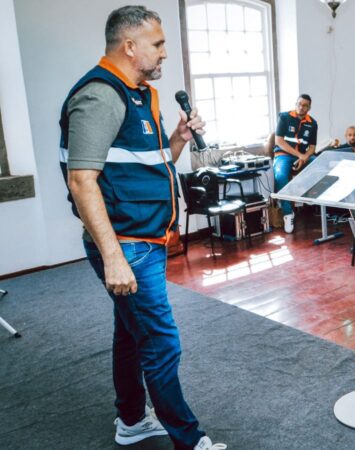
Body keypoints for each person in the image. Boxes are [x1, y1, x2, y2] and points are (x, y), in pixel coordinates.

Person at [61, 6, 224, 450]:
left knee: (131, 335)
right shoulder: (100, 96)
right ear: (129, 46)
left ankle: (131, 420)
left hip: (147, 238)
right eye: (158, 44)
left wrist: (178, 140)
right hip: (127, 245)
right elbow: (81, 180)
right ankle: (189, 440)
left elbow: (150, 164)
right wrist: (113, 257)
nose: (164, 53)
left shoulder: (140, 94)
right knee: (161, 342)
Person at [273, 93, 318, 233]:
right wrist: (300, 155)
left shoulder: (313, 123)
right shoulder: (284, 117)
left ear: (309, 108)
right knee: (280, 176)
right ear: (296, 104)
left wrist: (304, 158)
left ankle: (309, 196)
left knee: (320, 166)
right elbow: (279, 141)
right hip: (283, 155)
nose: (301, 107)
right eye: (299, 104)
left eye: (305, 105)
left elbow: (312, 148)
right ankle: (288, 213)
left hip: (303, 156)